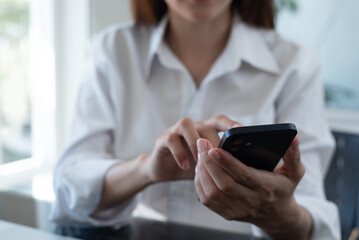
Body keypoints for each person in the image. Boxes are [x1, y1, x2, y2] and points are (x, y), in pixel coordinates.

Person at [50, 0, 340, 239]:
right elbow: (69, 192)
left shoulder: (295, 64)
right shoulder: (112, 51)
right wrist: (147, 169)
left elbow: (319, 223)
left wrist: (279, 215)